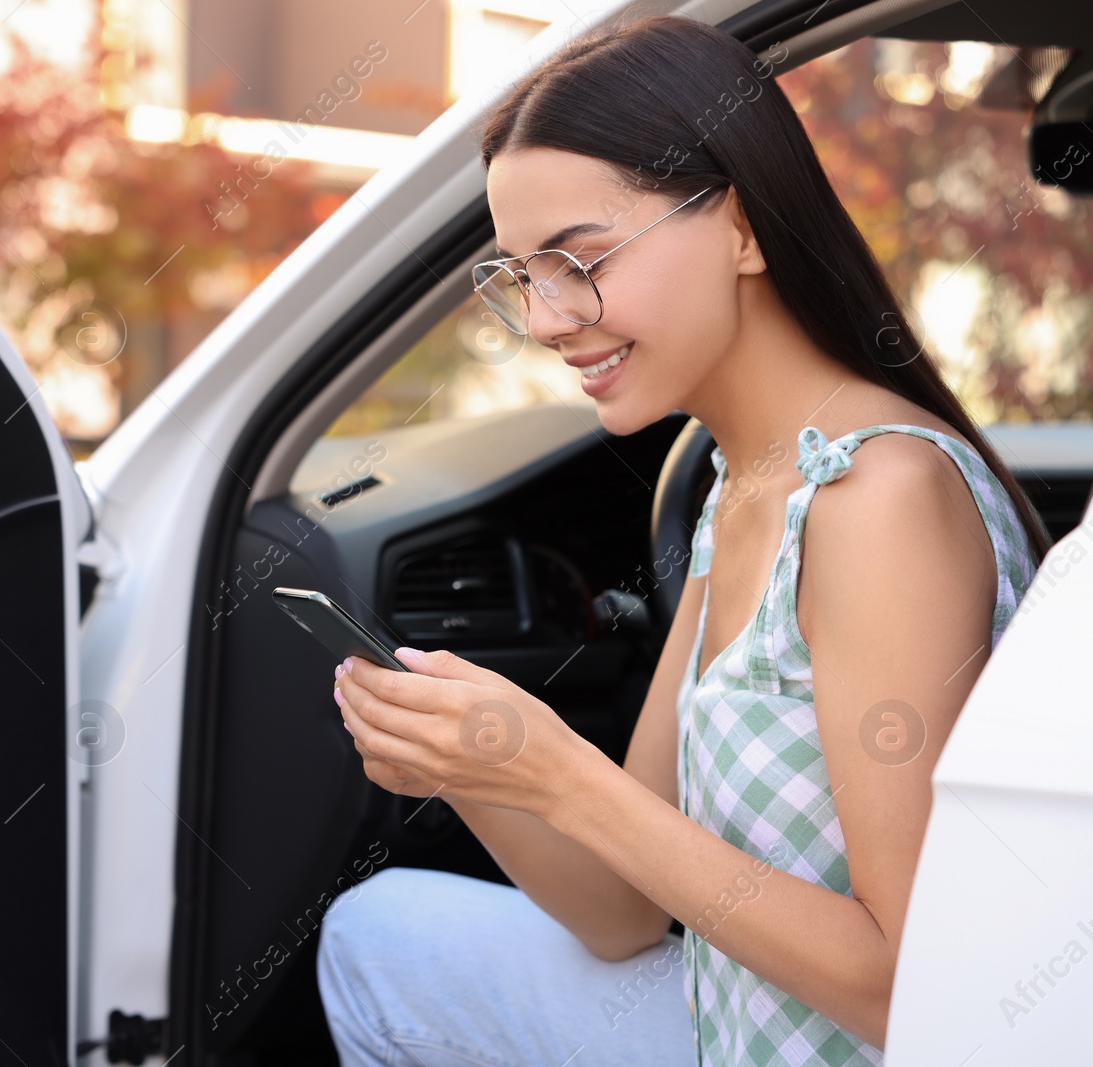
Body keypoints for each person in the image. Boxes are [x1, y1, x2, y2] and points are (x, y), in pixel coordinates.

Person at [316, 12, 1049, 1067]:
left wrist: (560, 769)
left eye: (579, 258)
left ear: (741, 229)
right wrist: (480, 765)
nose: (550, 318)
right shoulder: (742, 478)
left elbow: (914, 991)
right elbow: (620, 913)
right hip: (734, 1020)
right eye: (522, 274)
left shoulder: (876, 497)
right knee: (377, 933)